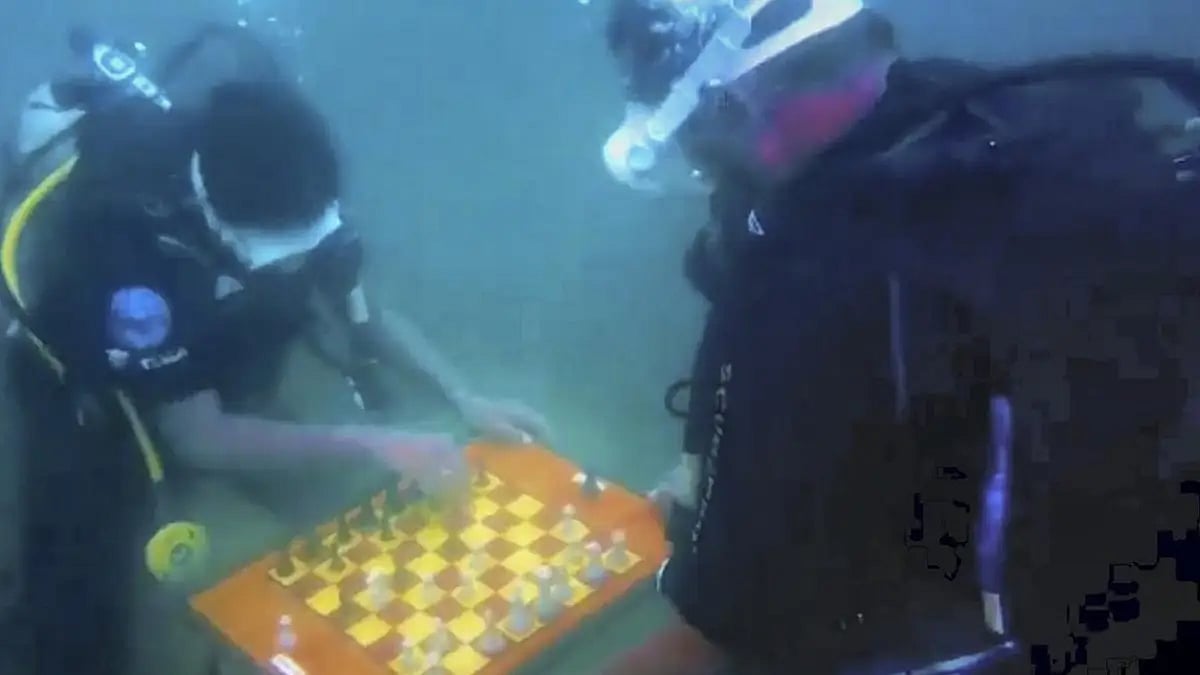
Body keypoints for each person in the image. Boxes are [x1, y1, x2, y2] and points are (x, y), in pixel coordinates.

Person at [599, 0, 1200, 672]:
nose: (706, 172)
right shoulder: (996, 113)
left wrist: (722, 522)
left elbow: (723, 630)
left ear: (728, 104)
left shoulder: (807, 283)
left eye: (696, 140)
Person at [1, 25, 549, 674]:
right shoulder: (124, 247)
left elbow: (360, 309)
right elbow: (197, 435)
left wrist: (464, 396)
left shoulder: (290, 177)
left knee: (344, 516)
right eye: (281, 255)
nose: (297, 267)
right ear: (219, 219)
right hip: (89, 388)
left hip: (207, 351)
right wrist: (381, 442)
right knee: (76, 613)